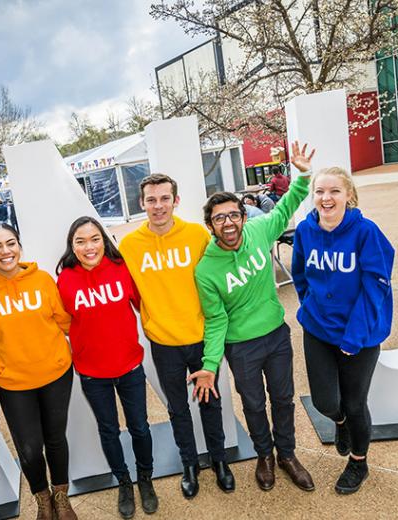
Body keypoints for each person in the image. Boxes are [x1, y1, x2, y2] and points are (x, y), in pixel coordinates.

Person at [189, 141, 316, 493]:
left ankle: (287, 454)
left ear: (244, 217)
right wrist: (210, 364)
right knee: (254, 404)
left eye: (233, 215)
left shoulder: (259, 232)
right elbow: (215, 320)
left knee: (283, 398)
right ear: (210, 226)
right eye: (219, 219)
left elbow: (286, 205)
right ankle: (265, 456)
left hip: (276, 334)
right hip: (240, 346)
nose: (228, 223)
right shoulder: (206, 271)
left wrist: (303, 175)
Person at [118, 173, 234, 499]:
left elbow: (217, 276)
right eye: (151, 200)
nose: (158, 206)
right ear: (141, 203)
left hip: (200, 336)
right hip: (163, 342)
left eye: (164, 198)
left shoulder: (197, 235)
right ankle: (189, 464)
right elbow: (126, 291)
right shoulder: (129, 245)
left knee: (210, 401)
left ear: (175, 201)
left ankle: (220, 461)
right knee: (178, 408)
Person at [291, 165, 394, 496]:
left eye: (334, 191)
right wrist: (312, 308)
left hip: (359, 335)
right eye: (320, 191)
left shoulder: (366, 232)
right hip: (319, 329)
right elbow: (300, 275)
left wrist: (354, 335)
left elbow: (375, 287)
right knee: (325, 402)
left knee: (354, 403)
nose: (326, 197)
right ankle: (340, 425)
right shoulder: (306, 231)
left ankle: (358, 461)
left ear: (348, 194)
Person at [0, 223, 77, 519]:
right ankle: (43, 499)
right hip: (13, 383)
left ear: (19, 246)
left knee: (56, 438)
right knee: (29, 447)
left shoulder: (42, 280)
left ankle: (61, 497)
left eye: (11, 243)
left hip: (55, 374)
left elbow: (64, 321)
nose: (6, 251)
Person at [55, 217, 158, 518]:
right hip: (92, 372)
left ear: (104, 240)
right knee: (109, 430)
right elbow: (61, 322)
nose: (89, 247)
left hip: (129, 366)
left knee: (139, 426)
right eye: (81, 241)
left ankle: (145, 479)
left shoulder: (121, 268)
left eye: (94, 239)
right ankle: (124, 481)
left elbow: (143, 304)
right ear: (72, 246)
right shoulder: (65, 279)